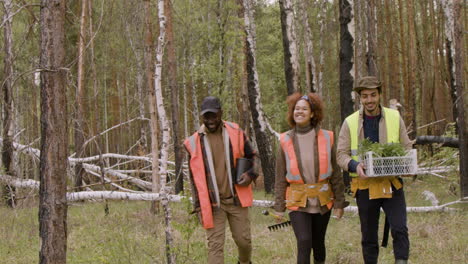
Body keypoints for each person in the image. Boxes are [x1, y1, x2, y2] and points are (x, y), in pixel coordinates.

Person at [336, 76, 412, 264]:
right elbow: (340, 154)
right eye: (365, 96)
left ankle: (401, 261)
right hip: (365, 185)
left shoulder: (394, 117)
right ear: (360, 98)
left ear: (379, 95)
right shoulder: (350, 122)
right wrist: (354, 165)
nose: (369, 100)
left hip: (391, 183)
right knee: (369, 235)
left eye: (372, 95)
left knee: (400, 228)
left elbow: (406, 147)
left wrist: (409, 165)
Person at [273, 92, 348, 264]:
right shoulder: (285, 140)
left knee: (318, 243)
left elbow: (336, 174)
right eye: (296, 109)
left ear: (313, 113)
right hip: (297, 201)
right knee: (304, 241)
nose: (299, 112)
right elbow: (280, 177)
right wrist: (279, 206)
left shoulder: (328, 137)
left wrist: (339, 202)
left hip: (323, 199)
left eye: (304, 109)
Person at [184, 96, 258, 264]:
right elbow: (194, 179)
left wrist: (250, 175)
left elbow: (254, 156)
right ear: (201, 117)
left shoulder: (236, 132)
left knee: (244, 242)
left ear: (221, 113)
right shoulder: (193, 142)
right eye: (206, 116)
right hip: (212, 204)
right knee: (215, 246)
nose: (210, 120)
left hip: (236, 200)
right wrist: (198, 207)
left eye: (213, 115)